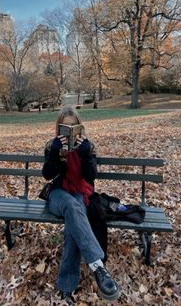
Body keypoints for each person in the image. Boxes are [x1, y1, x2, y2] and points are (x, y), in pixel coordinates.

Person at [42, 105, 120, 302]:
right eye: (64, 126)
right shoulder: (53, 146)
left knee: (73, 223)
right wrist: (55, 153)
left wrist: (85, 155)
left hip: (79, 193)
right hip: (58, 194)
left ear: (79, 127)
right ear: (59, 128)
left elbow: (91, 177)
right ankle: (97, 266)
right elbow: (47, 175)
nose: (69, 130)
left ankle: (66, 286)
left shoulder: (88, 146)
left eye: (73, 126)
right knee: (71, 207)